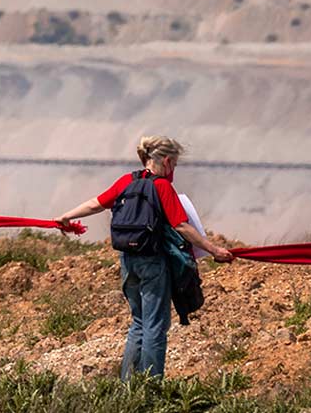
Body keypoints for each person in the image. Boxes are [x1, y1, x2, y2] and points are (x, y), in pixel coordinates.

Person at [55, 135, 235, 380]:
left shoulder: (126, 181)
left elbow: (96, 204)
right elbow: (181, 225)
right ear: (167, 161)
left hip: (128, 261)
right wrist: (214, 250)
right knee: (155, 326)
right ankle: (150, 385)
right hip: (153, 263)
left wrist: (66, 216)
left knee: (139, 323)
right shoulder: (162, 186)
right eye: (175, 164)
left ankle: (128, 384)